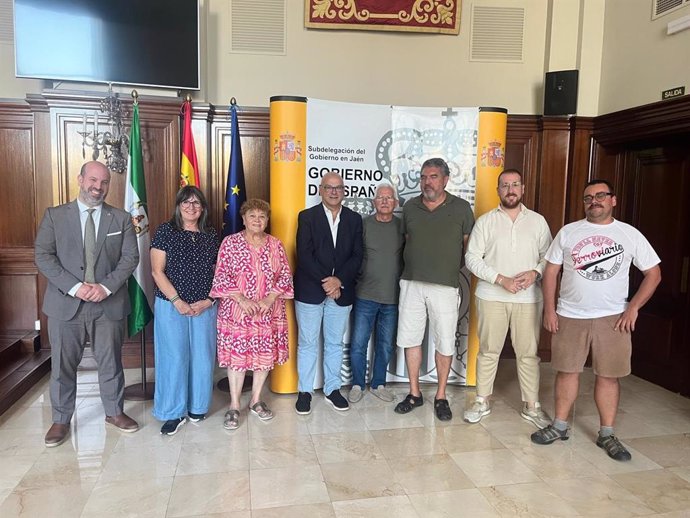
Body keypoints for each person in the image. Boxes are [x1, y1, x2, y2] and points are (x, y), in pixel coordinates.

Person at [531, 179, 661, 461]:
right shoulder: (568, 232)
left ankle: (607, 434)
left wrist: (633, 308)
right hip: (570, 315)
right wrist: (550, 310)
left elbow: (654, 273)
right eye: (588, 198)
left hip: (613, 319)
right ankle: (560, 426)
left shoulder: (629, 234)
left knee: (609, 377)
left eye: (601, 196)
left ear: (613, 200)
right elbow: (551, 272)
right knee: (566, 372)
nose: (594, 201)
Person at [35, 161, 140, 447]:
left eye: (104, 182)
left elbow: (130, 258)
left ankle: (114, 412)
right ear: (80, 180)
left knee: (111, 362)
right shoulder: (55, 216)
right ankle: (61, 418)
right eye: (93, 180)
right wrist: (75, 286)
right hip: (65, 304)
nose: (98, 187)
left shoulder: (120, 219)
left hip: (108, 303)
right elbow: (43, 256)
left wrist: (105, 287)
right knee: (63, 365)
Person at [463, 169, 552, 427]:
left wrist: (536, 272)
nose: (510, 189)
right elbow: (471, 259)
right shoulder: (486, 221)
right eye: (504, 185)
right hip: (492, 296)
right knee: (489, 351)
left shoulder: (538, 221)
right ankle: (481, 400)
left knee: (528, 353)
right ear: (498, 190)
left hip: (528, 299)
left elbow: (550, 257)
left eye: (515, 185)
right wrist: (501, 279)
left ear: (522, 188)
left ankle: (532, 405)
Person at [394, 157, 474, 421]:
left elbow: (468, 248)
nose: (427, 182)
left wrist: (444, 267)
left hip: (445, 286)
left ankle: (441, 396)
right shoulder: (410, 207)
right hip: (412, 282)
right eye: (423, 177)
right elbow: (408, 240)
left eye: (433, 177)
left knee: (445, 340)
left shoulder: (462, 208)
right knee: (410, 338)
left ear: (446, 179)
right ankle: (414, 393)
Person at [210, 199, 293, 430]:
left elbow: (285, 276)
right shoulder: (230, 243)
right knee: (238, 358)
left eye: (262, 216)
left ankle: (256, 400)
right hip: (237, 312)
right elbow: (221, 276)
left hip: (268, 311)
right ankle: (234, 405)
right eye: (253, 216)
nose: (258, 220)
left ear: (267, 220)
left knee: (264, 357)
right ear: (244, 219)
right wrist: (242, 299)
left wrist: (269, 298)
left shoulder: (276, 245)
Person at [150, 186, 219, 436]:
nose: (192, 207)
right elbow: (157, 271)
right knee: (174, 357)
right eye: (186, 202)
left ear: (203, 208)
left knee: (202, 356)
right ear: (178, 206)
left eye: (197, 203)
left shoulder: (211, 234)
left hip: (204, 306)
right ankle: (173, 412)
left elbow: (219, 272)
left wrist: (209, 300)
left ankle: (198, 406)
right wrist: (177, 300)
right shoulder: (166, 231)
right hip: (171, 305)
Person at [294, 171, 363, 415]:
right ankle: (305, 391)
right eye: (329, 187)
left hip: (341, 292)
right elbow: (304, 254)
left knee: (335, 343)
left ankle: (333, 389)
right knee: (308, 343)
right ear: (320, 190)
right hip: (311, 291)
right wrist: (327, 283)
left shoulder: (355, 220)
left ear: (344, 192)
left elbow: (358, 256)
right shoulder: (307, 217)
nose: (334, 191)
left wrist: (339, 281)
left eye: (338, 188)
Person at [348, 183, 404, 404]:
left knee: (385, 344)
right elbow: (353, 256)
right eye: (380, 197)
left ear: (396, 203)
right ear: (374, 202)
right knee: (359, 343)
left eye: (389, 198)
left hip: (392, 297)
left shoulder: (402, 228)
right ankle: (357, 384)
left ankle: (378, 383)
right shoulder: (363, 226)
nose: (384, 201)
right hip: (365, 295)